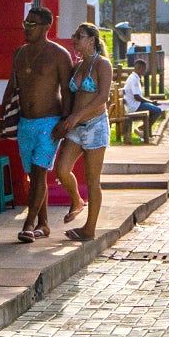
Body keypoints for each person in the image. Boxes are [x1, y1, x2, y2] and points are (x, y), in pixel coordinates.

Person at [0, 6, 71, 243]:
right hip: (25, 124)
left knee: (40, 173)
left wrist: (66, 121)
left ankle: (28, 223)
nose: (27, 28)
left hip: (50, 123)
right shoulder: (20, 53)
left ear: (46, 27)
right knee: (34, 175)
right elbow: (11, 86)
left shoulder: (60, 55)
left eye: (32, 24)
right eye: (25, 23)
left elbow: (68, 92)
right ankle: (44, 224)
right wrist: (2, 118)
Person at [55, 24, 112, 243]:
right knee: (61, 170)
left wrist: (76, 117)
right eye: (74, 35)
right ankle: (77, 200)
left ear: (91, 40)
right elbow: (69, 96)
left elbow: (102, 98)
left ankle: (89, 228)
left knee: (92, 179)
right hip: (75, 127)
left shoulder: (102, 64)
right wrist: (65, 119)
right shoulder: (78, 66)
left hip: (95, 126)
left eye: (79, 36)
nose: (74, 39)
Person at [122, 57, 165, 127]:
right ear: (139, 68)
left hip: (135, 105)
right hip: (134, 106)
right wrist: (150, 102)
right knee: (157, 111)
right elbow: (137, 97)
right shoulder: (133, 79)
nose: (145, 71)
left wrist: (150, 102)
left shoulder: (135, 77)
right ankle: (142, 129)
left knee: (154, 109)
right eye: (144, 69)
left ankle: (145, 130)